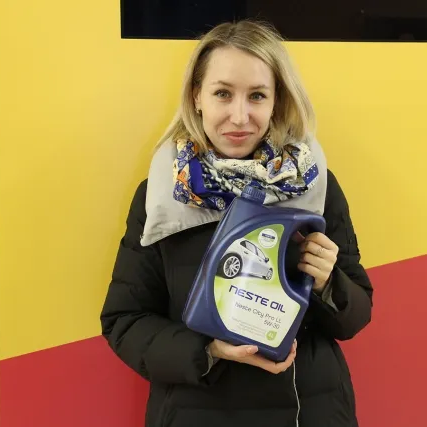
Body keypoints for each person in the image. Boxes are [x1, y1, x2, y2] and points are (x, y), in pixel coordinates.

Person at [100, 19, 374, 427]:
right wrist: (208, 351)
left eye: (257, 96)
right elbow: (125, 321)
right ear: (197, 96)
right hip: (198, 413)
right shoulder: (162, 192)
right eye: (223, 93)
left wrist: (328, 282)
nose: (240, 116)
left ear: (276, 101)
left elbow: (356, 316)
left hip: (307, 411)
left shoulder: (313, 183)